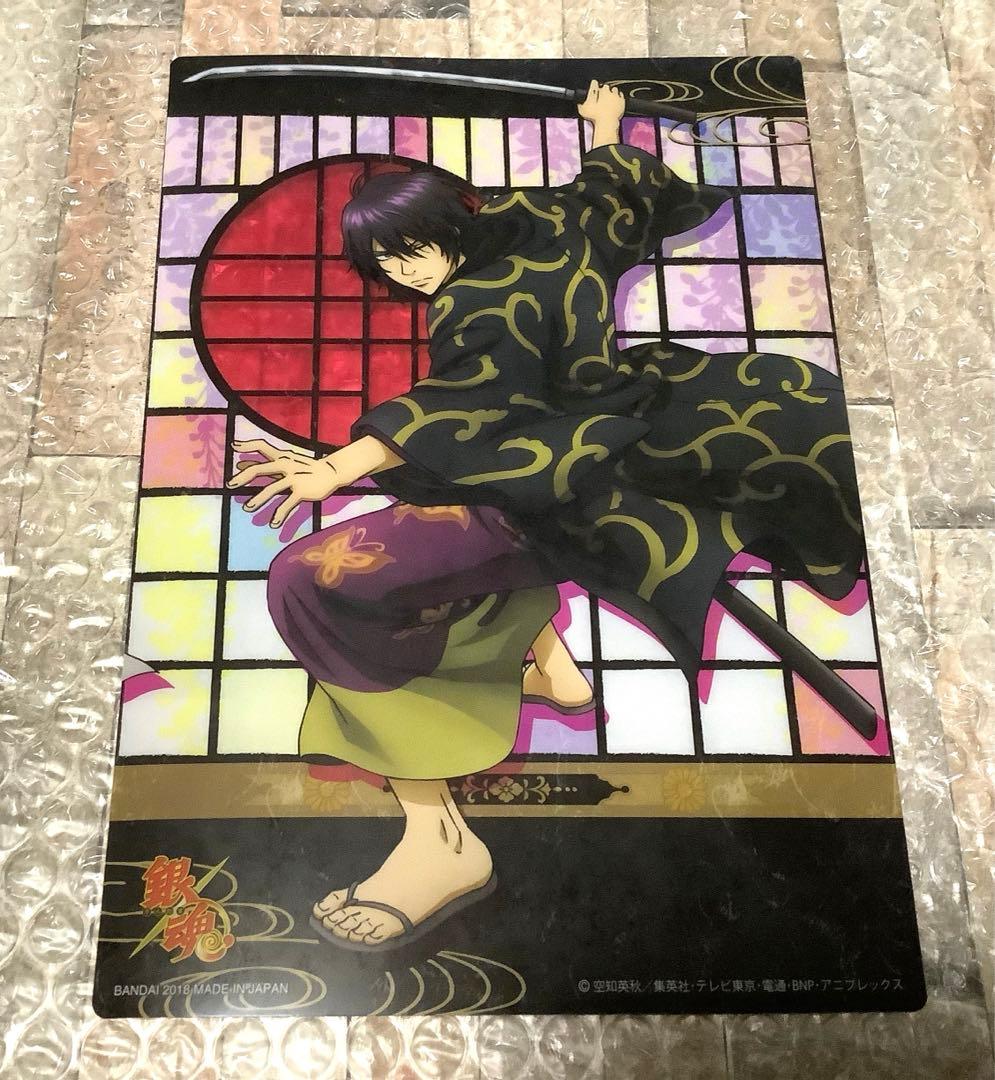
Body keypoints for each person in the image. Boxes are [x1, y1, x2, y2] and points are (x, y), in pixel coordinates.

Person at [227, 81, 864, 951]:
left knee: (309, 584)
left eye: (413, 248)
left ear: (449, 221)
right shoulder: (545, 219)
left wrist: (332, 470)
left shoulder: (474, 303)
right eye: (387, 263)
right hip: (637, 445)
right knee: (417, 529)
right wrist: (605, 129)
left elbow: (467, 401)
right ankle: (547, 667)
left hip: (554, 495)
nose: (407, 271)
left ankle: (440, 845)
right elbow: (610, 194)